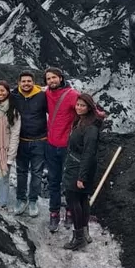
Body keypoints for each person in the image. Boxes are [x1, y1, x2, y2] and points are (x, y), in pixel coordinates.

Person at [62, 94, 102, 251]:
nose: (79, 107)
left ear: (90, 107)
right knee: (82, 199)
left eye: (83, 105)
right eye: (77, 105)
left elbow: (89, 153)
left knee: (73, 201)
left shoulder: (90, 128)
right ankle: (84, 234)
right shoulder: (82, 121)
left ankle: (78, 238)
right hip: (77, 165)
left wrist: (81, 176)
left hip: (79, 168)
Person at [43, 67, 79, 232]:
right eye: (48, 79)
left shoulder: (71, 95)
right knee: (53, 181)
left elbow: (86, 106)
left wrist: (99, 116)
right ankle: (54, 213)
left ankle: (70, 212)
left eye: (54, 78)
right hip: (51, 145)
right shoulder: (47, 94)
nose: (51, 81)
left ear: (61, 78)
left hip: (67, 146)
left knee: (69, 181)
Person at [12, 71, 48, 217]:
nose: (26, 83)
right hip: (21, 141)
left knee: (37, 173)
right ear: (19, 82)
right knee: (21, 172)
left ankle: (33, 200)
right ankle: (21, 199)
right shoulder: (14, 96)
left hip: (39, 141)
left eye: (29, 81)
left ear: (33, 82)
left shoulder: (42, 96)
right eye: (23, 81)